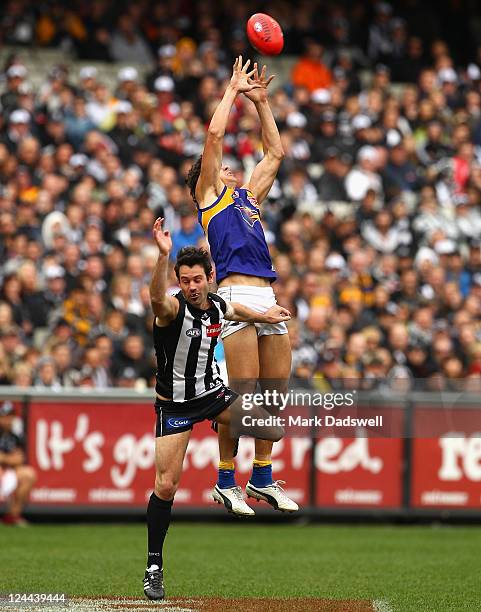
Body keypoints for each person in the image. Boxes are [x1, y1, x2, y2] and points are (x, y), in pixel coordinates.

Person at [144, 217, 290, 601]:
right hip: (174, 405)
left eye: (197, 280)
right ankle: (154, 566)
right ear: (179, 280)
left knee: (272, 429)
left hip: (211, 395)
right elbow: (156, 300)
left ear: (210, 277)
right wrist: (162, 257)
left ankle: (237, 480)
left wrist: (266, 316)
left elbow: (237, 310)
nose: (191, 287)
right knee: (166, 485)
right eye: (185, 280)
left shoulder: (218, 304)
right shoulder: (172, 310)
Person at [186, 56, 299, 514]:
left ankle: (264, 478)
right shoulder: (209, 198)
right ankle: (226, 478)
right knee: (243, 392)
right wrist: (233, 90)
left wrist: (263, 103)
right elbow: (213, 135)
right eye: (221, 169)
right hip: (233, 294)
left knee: (273, 394)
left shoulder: (248, 199)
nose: (230, 168)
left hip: (266, 294)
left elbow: (275, 154)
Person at [0, 401, 37, 526]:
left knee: (28, 474)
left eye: (10, 416)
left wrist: (4, 458)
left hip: (8, 471)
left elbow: (19, 459)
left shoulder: (15, 436)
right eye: (4, 416)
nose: (8, 420)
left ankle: (12, 515)